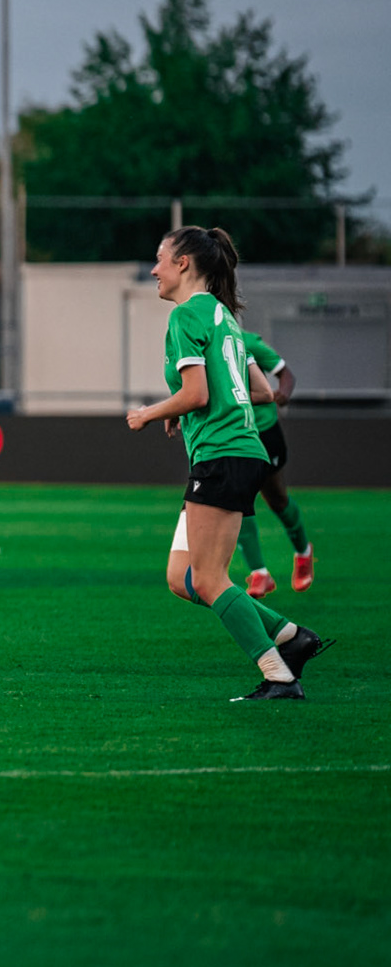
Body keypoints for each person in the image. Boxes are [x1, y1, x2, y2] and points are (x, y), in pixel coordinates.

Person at [125, 227, 327, 700]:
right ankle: (290, 636)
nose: (153, 269)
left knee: (210, 578)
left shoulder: (185, 317)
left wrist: (152, 413)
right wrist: (190, 407)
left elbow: (197, 392)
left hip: (221, 454)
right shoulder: (225, 318)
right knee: (183, 578)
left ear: (183, 264)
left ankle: (279, 674)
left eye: (159, 259)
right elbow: (259, 390)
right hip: (236, 451)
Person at [234, 328, 317, 596]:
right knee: (238, 500)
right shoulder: (201, 346)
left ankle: (303, 553)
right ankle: (259, 573)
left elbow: (285, 373)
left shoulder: (246, 342)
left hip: (264, 431)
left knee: (277, 499)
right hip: (233, 433)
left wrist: (282, 393)